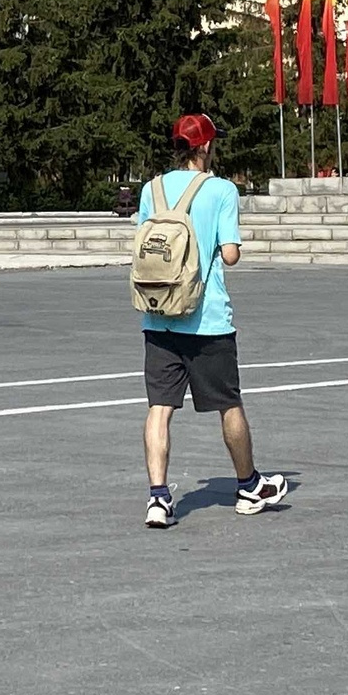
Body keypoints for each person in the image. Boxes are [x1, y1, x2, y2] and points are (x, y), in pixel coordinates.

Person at [138, 114, 288, 529]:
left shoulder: (152, 189)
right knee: (229, 405)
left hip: (158, 314)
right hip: (206, 320)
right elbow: (230, 254)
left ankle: (158, 498)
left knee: (160, 408)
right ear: (204, 147)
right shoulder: (221, 189)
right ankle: (249, 485)